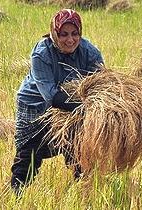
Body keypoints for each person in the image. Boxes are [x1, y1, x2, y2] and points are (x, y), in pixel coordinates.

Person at [11, 8, 104, 196]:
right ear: (54, 33)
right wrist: (87, 107)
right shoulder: (42, 53)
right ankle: (16, 194)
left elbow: (102, 84)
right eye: (64, 34)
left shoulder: (89, 52)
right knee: (29, 153)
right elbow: (51, 96)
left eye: (75, 33)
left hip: (72, 105)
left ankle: (82, 192)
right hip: (35, 105)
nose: (70, 40)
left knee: (78, 147)